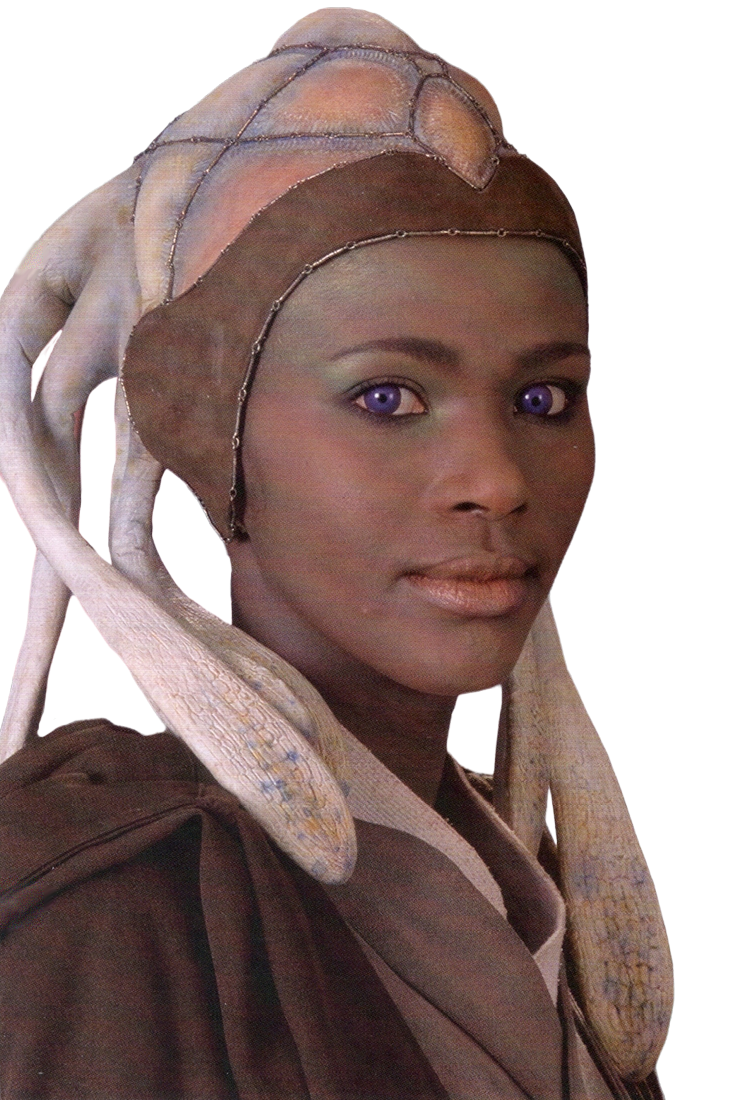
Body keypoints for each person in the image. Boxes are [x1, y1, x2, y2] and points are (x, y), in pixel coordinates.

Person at [0, 8, 672, 1099]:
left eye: (545, 399)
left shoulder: (532, 899)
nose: (496, 479)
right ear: (197, 424)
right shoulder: (85, 914)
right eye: (386, 397)